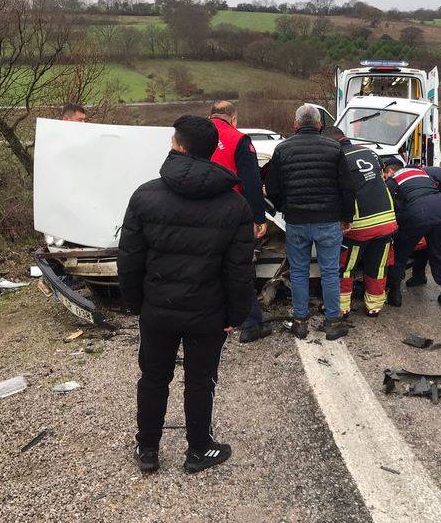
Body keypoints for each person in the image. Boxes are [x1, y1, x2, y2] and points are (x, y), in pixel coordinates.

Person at [118, 115, 254, 474]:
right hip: (207, 312)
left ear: (178, 145)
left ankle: (147, 448)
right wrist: (235, 316)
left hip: (158, 308)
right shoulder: (235, 205)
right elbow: (239, 269)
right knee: (200, 380)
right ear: (212, 151)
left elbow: (130, 258)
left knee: (153, 377)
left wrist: (135, 304)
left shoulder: (145, 195)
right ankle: (198, 449)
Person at [265, 105, 353, 341]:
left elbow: (272, 188)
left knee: (299, 271)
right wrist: (347, 218)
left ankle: (300, 321)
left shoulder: (282, 149)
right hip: (328, 220)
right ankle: (333, 321)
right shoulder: (335, 148)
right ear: (320, 125)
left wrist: (285, 207)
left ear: (295, 125)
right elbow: (346, 187)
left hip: (296, 220)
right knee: (330, 272)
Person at [209, 100, 269, 344]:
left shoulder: (195, 136)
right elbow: (251, 182)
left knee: (209, 266)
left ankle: (215, 319)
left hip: (199, 213)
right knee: (238, 268)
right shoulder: (239, 140)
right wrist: (259, 217)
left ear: (210, 115)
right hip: (232, 214)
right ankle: (251, 323)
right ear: (233, 118)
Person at [323, 126, 397, 318]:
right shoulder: (369, 151)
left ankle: (342, 307)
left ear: (331, 141)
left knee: (345, 267)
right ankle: (374, 306)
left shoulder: (337, 158)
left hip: (360, 224)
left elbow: (342, 192)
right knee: (378, 266)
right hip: (387, 219)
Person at [383, 157, 441, 308]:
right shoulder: (419, 172)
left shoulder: (393, 180)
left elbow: (387, 206)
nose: (384, 177)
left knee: (400, 253)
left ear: (390, 171)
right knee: (438, 251)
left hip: (418, 213)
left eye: (384, 174)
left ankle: (395, 293)